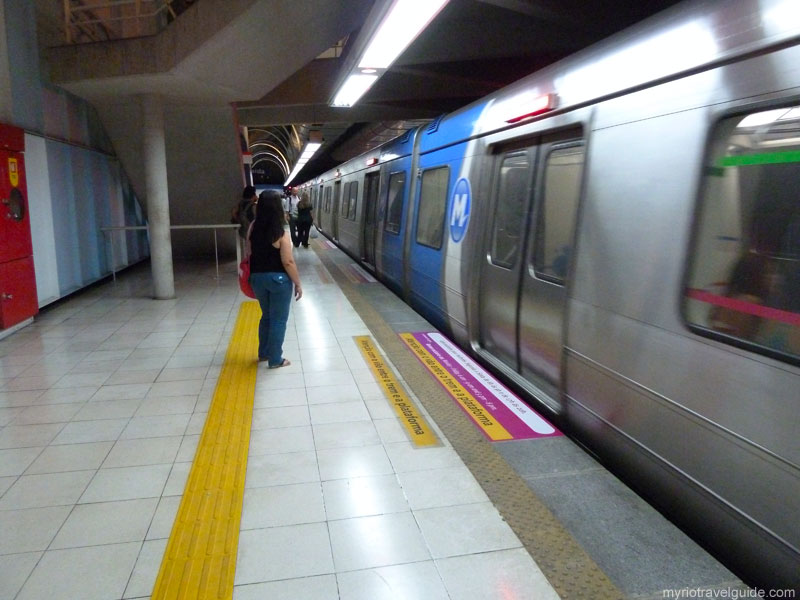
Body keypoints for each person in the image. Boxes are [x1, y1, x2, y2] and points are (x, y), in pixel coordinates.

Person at [247, 189, 303, 368]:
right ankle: (275, 359)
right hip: (278, 281)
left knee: (266, 316)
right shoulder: (280, 231)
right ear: (278, 207)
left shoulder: (253, 228)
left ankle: (264, 353)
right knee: (278, 319)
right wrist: (298, 283)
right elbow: (288, 261)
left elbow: (250, 252)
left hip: (257, 278)